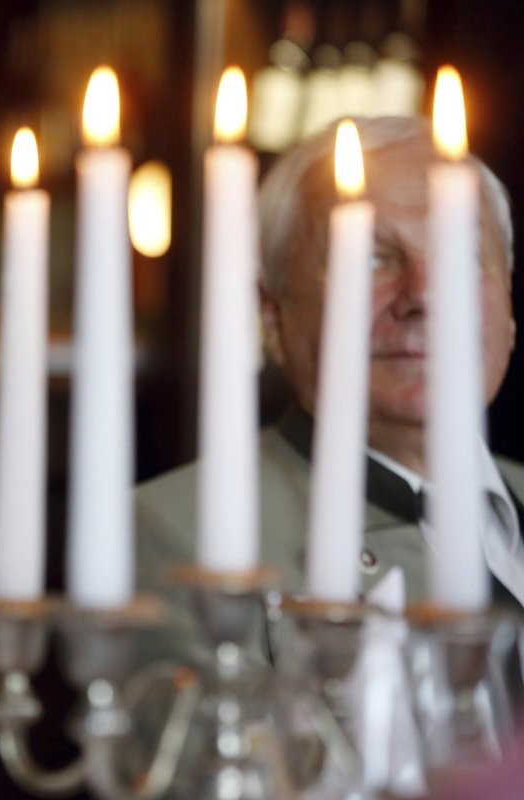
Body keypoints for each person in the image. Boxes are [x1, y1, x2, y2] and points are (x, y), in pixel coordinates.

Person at [134, 115, 524, 667]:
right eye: (367, 259)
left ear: (506, 301)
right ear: (273, 316)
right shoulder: (176, 534)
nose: (424, 295)